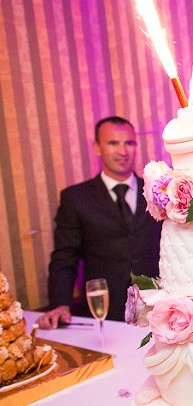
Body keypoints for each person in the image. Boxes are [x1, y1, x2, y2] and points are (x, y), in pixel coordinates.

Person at [37, 116, 162, 329]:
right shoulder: (76, 198)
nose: (122, 151)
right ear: (97, 147)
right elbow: (64, 258)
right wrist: (60, 304)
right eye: (113, 143)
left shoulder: (157, 191)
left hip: (156, 310)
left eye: (129, 143)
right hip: (104, 313)